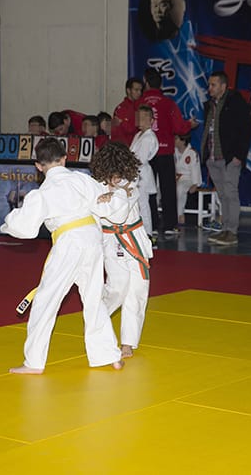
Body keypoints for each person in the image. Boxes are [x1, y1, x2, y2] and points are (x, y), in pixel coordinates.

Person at [0, 137, 129, 374]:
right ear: (64, 159)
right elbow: (107, 202)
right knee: (93, 298)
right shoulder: (83, 180)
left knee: (45, 301)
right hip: (92, 239)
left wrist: (8, 222)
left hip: (69, 243)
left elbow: (24, 228)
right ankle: (110, 355)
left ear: (38, 166)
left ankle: (33, 362)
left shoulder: (43, 192)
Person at [90, 141, 152, 359]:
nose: (115, 179)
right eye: (111, 175)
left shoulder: (131, 184)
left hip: (135, 239)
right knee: (117, 288)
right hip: (111, 241)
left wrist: (116, 194)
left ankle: (128, 343)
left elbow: (122, 208)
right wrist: (112, 195)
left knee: (137, 290)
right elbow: (105, 212)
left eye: (118, 174)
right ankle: (95, 323)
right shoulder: (96, 187)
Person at [200, 71, 251, 246]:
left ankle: (232, 231)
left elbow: (245, 129)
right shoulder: (210, 105)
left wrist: (239, 155)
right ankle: (225, 229)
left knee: (231, 193)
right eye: (209, 85)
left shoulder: (235, 102)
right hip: (213, 156)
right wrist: (205, 153)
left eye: (213, 85)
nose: (209, 88)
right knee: (223, 195)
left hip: (229, 156)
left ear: (223, 86)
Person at [140, 67, 194, 235]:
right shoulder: (168, 103)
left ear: (146, 83)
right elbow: (179, 127)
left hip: (147, 153)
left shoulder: (140, 103)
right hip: (165, 151)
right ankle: (170, 225)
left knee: (148, 189)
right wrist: (190, 125)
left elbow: (133, 126)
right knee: (168, 188)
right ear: (161, 84)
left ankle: (152, 225)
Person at [130, 105, 159, 237]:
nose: (140, 120)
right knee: (136, 204)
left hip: (142, 174)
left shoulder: (149, 137)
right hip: (134, 173)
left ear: (151, 121)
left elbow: (140, 159)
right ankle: (138, 232)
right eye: (139, 117)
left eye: (144, 117)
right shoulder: (138, 135)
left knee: (143, 204)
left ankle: (148, 234)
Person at [174, 132, 202, 225]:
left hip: (188, 178)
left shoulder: (192, 153)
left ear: (183, 141)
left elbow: (195, 169)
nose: (174, 141)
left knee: (180, 188)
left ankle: (180, 214)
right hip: (176, 177)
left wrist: (195, 184)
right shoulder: (174, 151)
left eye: (176, 139)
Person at [112, 77, 143, 146]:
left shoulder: (138, 107)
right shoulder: (121, 108)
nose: (139, 93)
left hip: (134, 146)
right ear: (128, 90)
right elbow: (129, 129)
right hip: (123, 147)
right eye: (136, 90)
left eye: (140, 90)